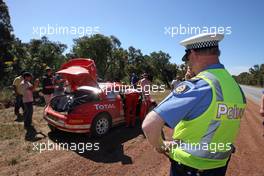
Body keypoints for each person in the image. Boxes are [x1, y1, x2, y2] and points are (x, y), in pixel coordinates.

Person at [142, 33, 247, 176]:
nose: (188, 64)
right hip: (219, 165)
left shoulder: (198, 86)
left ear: (192, 54)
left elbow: (149, 125)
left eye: (187, 59)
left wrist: (161, 146)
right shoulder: (235, 87)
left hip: (189, 167)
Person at [20, 72, 39, 139]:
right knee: (28, 112)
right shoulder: (23, 83)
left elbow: (33, 89)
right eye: (29, 77)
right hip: (27, 100)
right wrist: (35, 84)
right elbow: (31, 89)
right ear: (26, 77)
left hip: (29, 99)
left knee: (29, 112)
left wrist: (35, 85)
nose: (30, 78)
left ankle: (28, 123)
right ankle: (27, 124)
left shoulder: (28, 82)